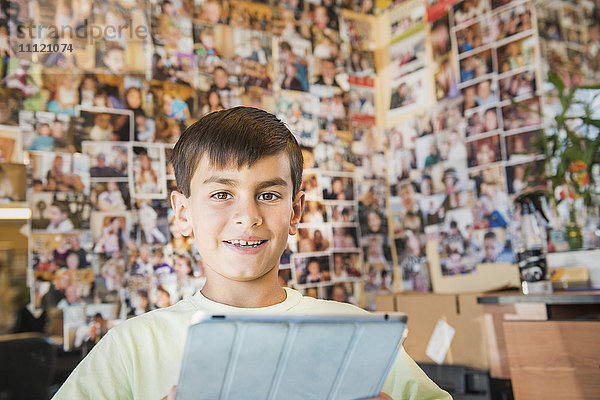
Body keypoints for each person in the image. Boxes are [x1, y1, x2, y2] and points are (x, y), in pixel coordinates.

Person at [53, 107, 449, 399]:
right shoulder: (133, 347)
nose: (247, 216)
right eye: (222, 194)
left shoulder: (355, 334)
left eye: (269, 195)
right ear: (183, 213)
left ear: (294, 212)